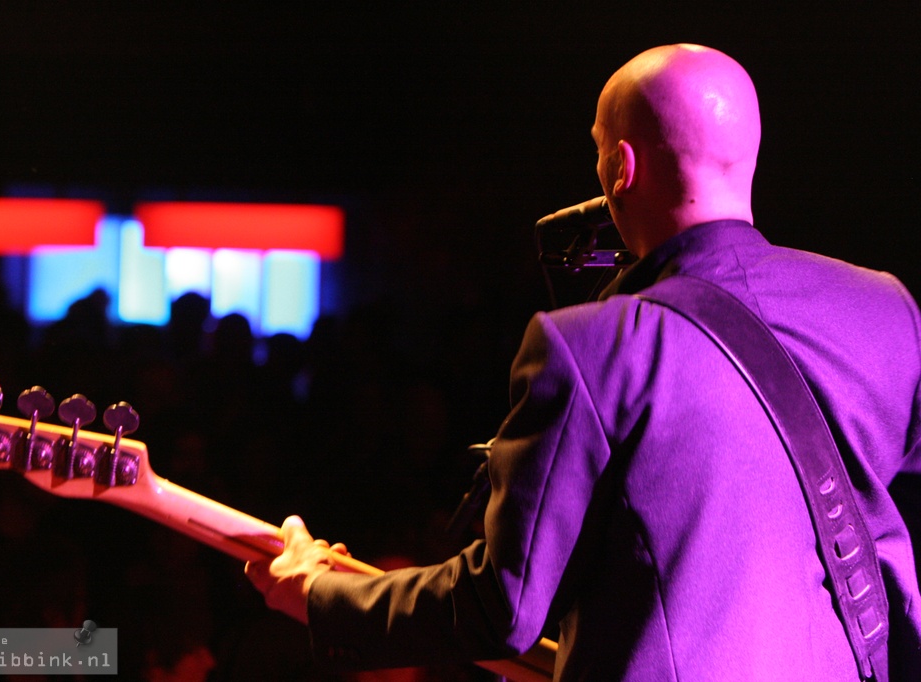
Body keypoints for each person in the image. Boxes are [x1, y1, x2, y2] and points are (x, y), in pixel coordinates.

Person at [245, 44, 921, 680]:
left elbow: (502, 609)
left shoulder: (593, 344)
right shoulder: (885, 309)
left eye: (599, 151)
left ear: (620, 167)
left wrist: (321, 595)